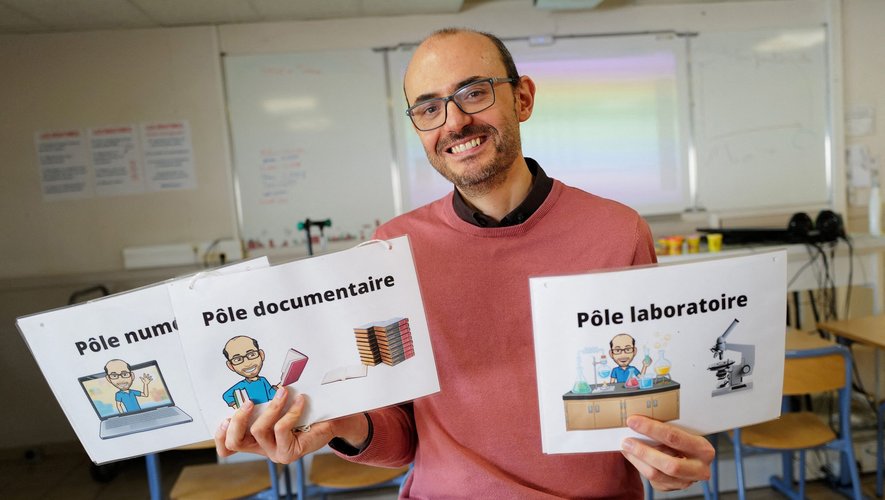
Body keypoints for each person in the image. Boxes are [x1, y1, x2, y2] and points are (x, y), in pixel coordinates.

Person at [215, 27, 714, 497]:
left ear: (523, 99)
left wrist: (670, 458)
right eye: (429, 108)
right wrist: (338, 425)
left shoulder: (617, 232)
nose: (454, 121)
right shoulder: (392, 248)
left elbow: (645, 397)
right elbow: (403, 437)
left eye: (474, 93)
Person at [222, 335, 277, 407]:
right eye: (238, 359)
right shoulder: (241, 386)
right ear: (231, 366)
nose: (247, 363)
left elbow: (270, 395)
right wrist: (237, 406)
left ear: (261, 355)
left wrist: (277, 388)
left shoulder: (263, 380)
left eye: (251, 354)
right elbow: (227, 396)